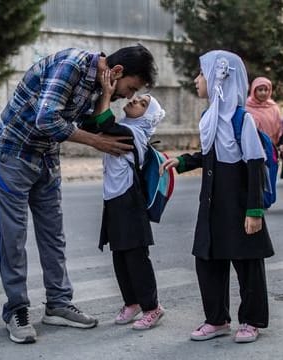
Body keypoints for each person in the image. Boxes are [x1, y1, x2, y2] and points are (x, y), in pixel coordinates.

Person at [0, 45, 157, 344]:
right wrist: (95, 142)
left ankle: (58, 304)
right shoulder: (72, 64)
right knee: (12, 236)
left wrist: (106, 96)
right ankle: (16, 309)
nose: (130, 96)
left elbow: (86, 121)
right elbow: (46, 119)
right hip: (13, 153)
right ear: (117, 72)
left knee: (53, 235)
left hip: (47, 156)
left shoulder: (101, 83)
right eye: (130, 88)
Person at [161, 50, 274, 343]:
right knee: (207, 260)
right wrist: (184, 162)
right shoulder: (209, 117)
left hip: (238, 205)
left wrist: (254, 211)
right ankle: (217, 320)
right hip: (211, 203)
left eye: (202, 73)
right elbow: (210, 154)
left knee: (247, 263)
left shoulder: (241, 119)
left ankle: (251, 321)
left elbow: (254, 166)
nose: (198, 79)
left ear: (219, 79)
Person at [84, 70, 165, 330]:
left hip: (130, 203)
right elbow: (92, 125)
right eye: (137, 98)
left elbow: (105, 124)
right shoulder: (126, 128)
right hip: (115, 200)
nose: (134, 100)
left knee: (136, 257)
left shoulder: (135, 135)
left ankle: (152, 307)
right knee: (119, 255)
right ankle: (132, 302)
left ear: (148, 117)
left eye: (143, 103)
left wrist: (107, 93)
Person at [245, 77, 283, 179]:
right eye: (260, 90)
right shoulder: (247, 107)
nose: (263, 93)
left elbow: (280, 128)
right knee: (257, 185)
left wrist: (280, 144)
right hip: (253, 152)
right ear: (254, 90)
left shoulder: (274, 108)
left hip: (271, 150)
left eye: (266, 90)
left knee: (270, 182)